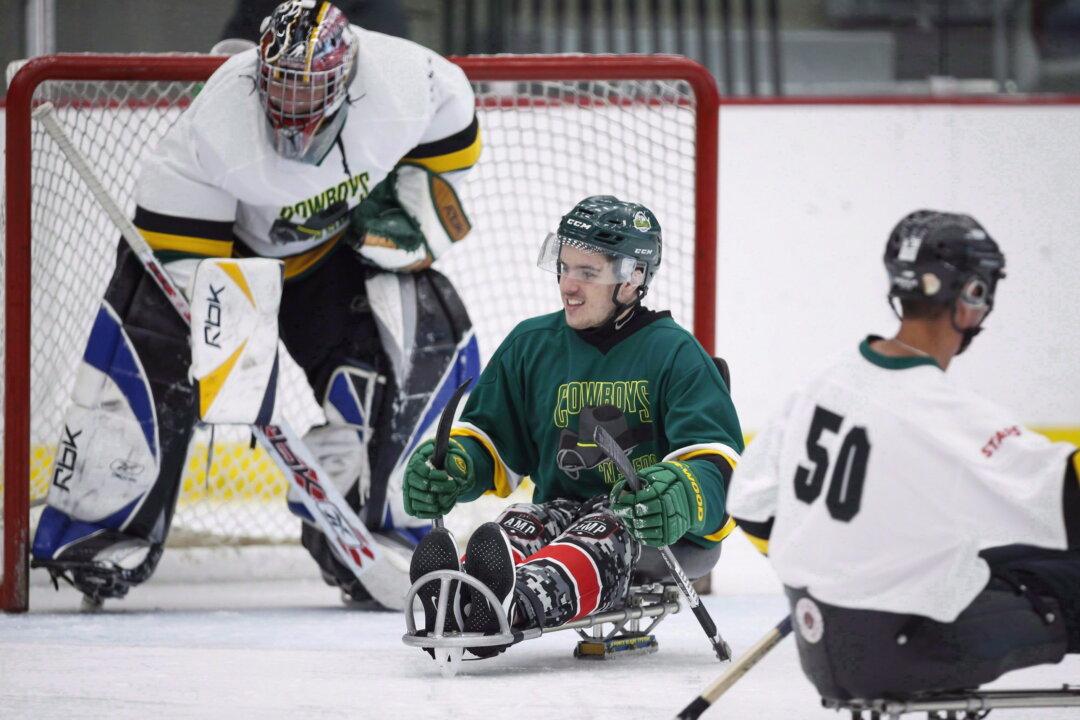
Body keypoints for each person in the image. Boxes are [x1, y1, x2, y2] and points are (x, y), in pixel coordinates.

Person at [31, 0, 482, 607]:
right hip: (227, 250)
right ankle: (102, 528)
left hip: (332, 253)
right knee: (150, 335)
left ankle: (381, 523)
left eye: (309, 90)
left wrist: (409, 210)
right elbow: (186, 278)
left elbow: (449, 150)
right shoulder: (214, 131)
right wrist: (236, 355)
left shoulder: (411, 83)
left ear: (347, 79)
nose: (290, 107)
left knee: (430, 334)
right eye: (280, 88)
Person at [727, 210, 1080, 699]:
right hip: (908, 647)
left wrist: (830, 575)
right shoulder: (940, 409)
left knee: (1008, 558)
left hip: (824, 640)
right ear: (973, 294)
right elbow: (1065, 495)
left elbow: (748, 505)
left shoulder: (824, 381)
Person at [401, 195, 744, 658]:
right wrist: (457, 464)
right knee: (520, 523)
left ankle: (510, 606)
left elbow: (717, 462)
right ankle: (461, 596)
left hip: (656, 531)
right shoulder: (530, 344)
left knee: (604, 530)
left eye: (588, 273)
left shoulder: (676, 354)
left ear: (632, 279)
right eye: (563, 267)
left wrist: (681, 492)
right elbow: (492, 440)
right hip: (564, 510)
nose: (568, 285)